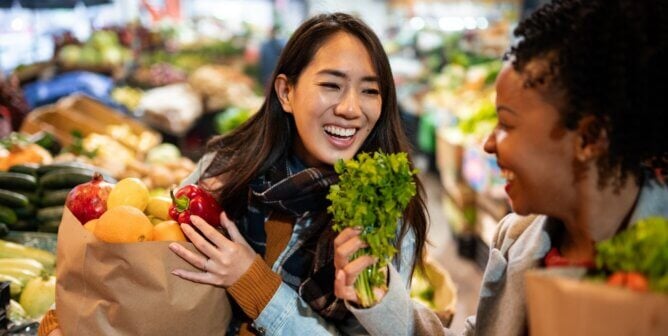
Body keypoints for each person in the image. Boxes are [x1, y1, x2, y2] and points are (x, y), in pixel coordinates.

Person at [38, 12, 428, 336]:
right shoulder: (224, 168)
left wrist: (251, 280)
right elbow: (154, 275)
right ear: (286, 92)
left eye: (370, 91)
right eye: (331, 85)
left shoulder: (386, 213)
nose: (350, 108)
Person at [333, 0, 668, 335]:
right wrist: (381, 300)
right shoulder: (515, 239)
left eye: (506, 124)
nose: (489, 143)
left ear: (589, 137)